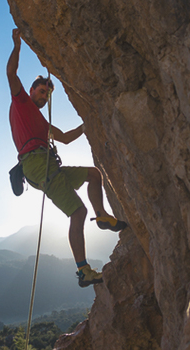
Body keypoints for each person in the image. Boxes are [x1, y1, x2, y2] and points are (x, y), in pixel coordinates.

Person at [7, 28, 127, 288]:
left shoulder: (41, 120)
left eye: (47, 94)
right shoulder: (21, 102)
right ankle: (83, 271)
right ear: (32, 90)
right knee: (77, 212)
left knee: (94, 174)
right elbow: (11, 74)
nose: (44, 96)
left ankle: (103, 216)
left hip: (48, 165)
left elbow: (65, 138)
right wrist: (17, 45)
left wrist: (88, 123)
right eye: (41, 91)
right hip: (37, 165)